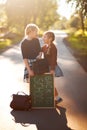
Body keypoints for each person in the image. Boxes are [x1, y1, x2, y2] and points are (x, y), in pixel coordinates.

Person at [41, 31, 62, 103]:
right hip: (46, 66)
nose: (43, 38)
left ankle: (57, 98)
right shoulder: (45, 46)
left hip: (51, 67)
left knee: (50, 82)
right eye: (43, 36)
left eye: (45, 37)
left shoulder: (53, 47)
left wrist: (52, 69)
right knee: (48, 82)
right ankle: (55, 97)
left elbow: (54, 59)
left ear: (50, 39)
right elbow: (39, 49)